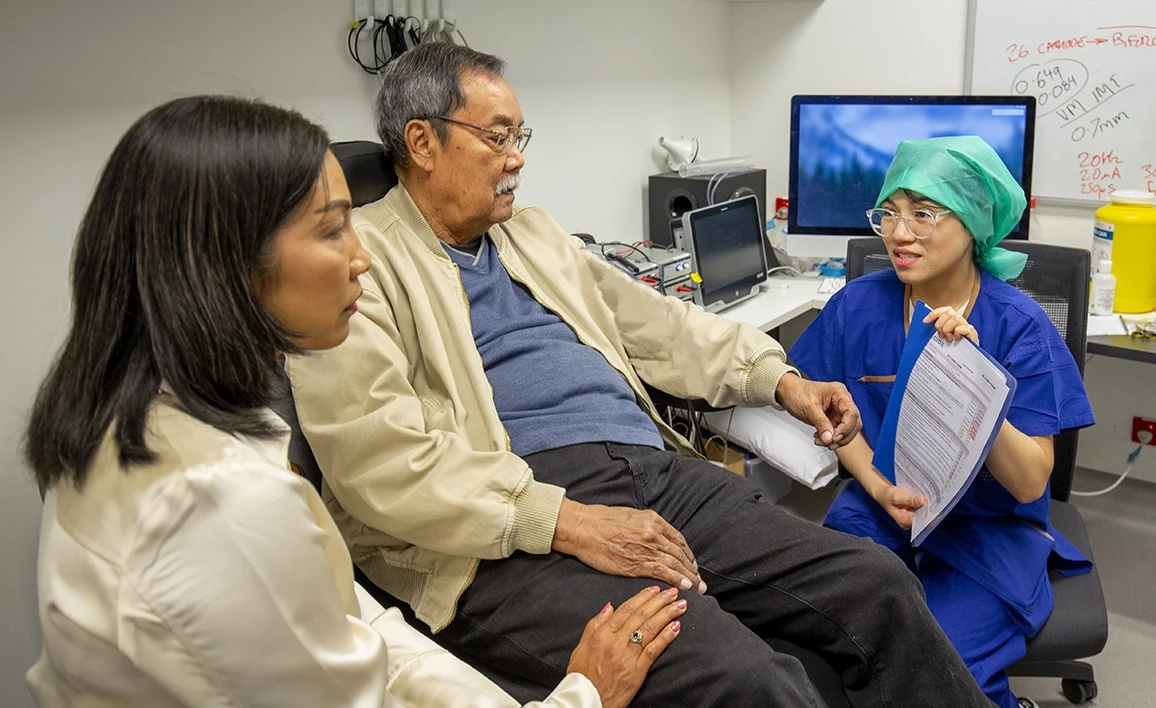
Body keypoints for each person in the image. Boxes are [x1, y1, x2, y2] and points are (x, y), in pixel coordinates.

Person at [285, 42, 994, 708]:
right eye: (497, 137)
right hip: (507, 519)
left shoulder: (530, 233)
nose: (515, 161)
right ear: (421, 142)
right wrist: (563, 518)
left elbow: (657, 323)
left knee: (878, 585)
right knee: (750, 679)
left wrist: (778, 379)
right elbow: (378, 458)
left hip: (651, 472)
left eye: (519, 139)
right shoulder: (358, 265)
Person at [23, 95, 687, 708]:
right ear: (222, 262)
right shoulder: (219, 502)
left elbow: (348, 627)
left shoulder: (139, 422)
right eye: (332, 228)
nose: (361, 258)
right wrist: (582, 696)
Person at [789, 136, 1095, 708]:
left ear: (974, 222)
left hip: (987, 528)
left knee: (942, 674)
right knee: (824, 642)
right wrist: (877, 486)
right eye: (890, 213)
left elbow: (1031, 481)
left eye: (924, 215)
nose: (900, 234)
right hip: (883, 510)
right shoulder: (857, 305)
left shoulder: (1019, 324)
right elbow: (839, 418)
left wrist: (972, 380)